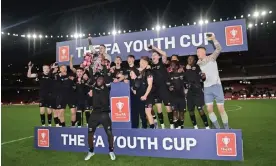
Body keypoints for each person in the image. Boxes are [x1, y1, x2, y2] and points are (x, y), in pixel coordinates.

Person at [197, 33, 229, 129]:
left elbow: (219, 49)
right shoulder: (198, 63)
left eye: (198, 52)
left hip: (216, 86)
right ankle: (218, 129)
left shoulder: (212, 57)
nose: (197, 53)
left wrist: (214, 39)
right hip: (207, 88)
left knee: (221, 109)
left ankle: (226, 128)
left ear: (203, 52)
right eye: (197, 52)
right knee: (209, 110)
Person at [84, 73, 116, 161]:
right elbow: (88, 79)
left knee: (109, 133)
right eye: (98, 80)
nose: (99, 81)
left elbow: (109, 77)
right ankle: (91, 151)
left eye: (101, 80)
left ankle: (111, 151)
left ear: (103, 81)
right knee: (90, 133)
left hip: (104, 114)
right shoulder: (93, 89)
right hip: (94, 114)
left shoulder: (107, 88)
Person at [149, 45, 174, 129]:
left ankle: (171, 125)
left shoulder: (162, 62)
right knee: (159, 109)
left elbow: (164, 54)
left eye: (155, 55)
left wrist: (154, 48)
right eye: (152, 56)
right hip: (156, 90)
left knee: (168, 108)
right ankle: (162, 126)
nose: (153, 57)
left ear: (158, 56)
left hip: (165, 89)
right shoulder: (151, 66)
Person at [185, 56, 210, 129]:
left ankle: (207, 127)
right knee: (191, 111)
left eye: (191, 59)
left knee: (200, 109)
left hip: (197, 92)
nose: (189, 60)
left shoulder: (197, 67)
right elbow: (185, 79)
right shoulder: (185, 69)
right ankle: (195, 127)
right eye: (188, 59)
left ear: (194, 61)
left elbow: (200, 78)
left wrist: (203, 77)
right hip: (190, 93)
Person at [130, 56, 155, 128]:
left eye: (145, 62)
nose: (142, 63)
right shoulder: (137, 71)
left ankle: (153, 130)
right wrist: (133, 89)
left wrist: (145, 95)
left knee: (148, 112)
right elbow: (133, 80)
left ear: (147, 64)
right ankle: (146, 127)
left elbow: (150, 85)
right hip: (139, 97)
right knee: (142, 114)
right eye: (141, 61)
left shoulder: (148, 72)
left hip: (148, 96)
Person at [124, 55, 147, 129]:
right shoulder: (126, 70)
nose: (129, 60)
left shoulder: (138, 69)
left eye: (131, 58)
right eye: (128, 59)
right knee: (133, 112)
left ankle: (144, 127)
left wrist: (136, 89)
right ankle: (135, 127)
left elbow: (141, 81)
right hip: (130, 95)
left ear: (134, 60)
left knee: (142, 111)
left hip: (139, 94)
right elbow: (124, 79)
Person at [27, 62, 53, 126]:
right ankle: (43, 125)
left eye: (47, 68)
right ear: (43, 69)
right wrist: (30, 68)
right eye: (45, 68)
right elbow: (29, 75)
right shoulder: (39, 75)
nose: (46, 69)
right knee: (42, 111)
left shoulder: (51, 75)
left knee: (49, 111)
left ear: (49, 69)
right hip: (42, 95)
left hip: (50, 95)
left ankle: (49, 125)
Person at [166, 60, 186, 129]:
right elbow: (167, 84)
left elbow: (186, 82)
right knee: (174, 112)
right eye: (170, 65)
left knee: (181, 113)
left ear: (177, 66)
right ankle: (176, 128)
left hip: (182, 97)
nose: (171, 66)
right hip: (173, 97)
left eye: (173, 65)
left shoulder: (182, 74)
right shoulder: (169, 75)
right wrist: (169, 87)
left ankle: (181, 126)